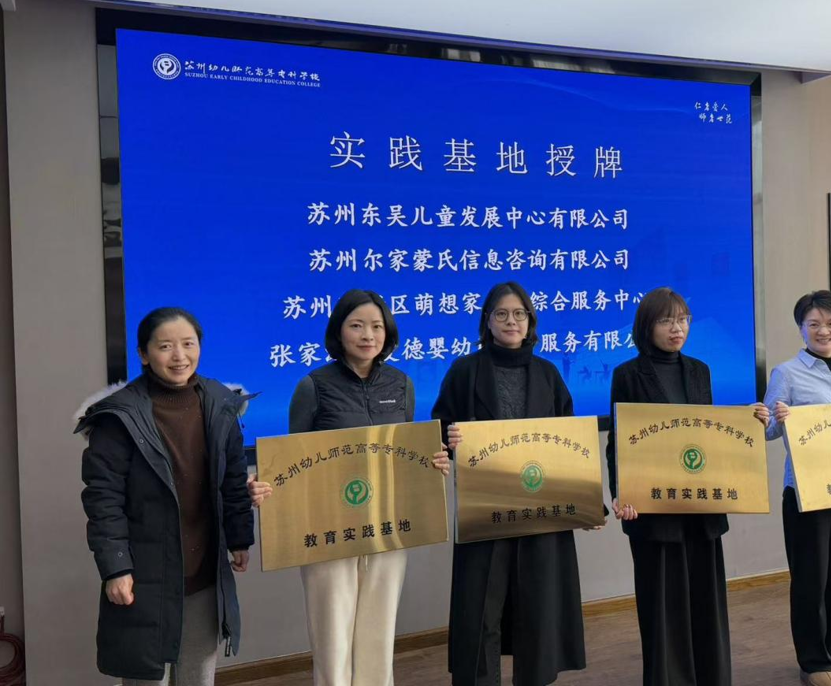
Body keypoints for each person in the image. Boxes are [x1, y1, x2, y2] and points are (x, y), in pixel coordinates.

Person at [251, 289, 449, 686]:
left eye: (376, 326)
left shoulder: (402, 384)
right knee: (332, 636)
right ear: (339, 332)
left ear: (387, 332)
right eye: (356, 325)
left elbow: (405, 453)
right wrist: (266, 486)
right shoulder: (313, 386)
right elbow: (293, 463)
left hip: (388, 524)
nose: (367, 335)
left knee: (379, 631)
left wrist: (433, 463)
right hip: (327, 529)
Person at [77, 307, 255, 685]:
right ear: (143, 354)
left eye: (188, 344)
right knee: (147, 677)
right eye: (165, 346)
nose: (179, 356)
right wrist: (116, 568)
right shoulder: (119, 415)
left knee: (198, 676)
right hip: (145, 577)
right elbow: (103, 499)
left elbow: (232, 476)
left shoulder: (220, 402)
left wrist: (240, 538)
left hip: (204, 573)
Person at [432, 281, 594, 686]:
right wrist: (449, 439)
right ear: (487, 321)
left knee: (537, 611)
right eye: (501, 314)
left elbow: (569, 445)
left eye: (519, 314)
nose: (511, 321)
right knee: (480, 612)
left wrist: (589, 502)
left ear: (530, 321)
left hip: (540, 511)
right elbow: (438, 431)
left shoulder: (548, 374)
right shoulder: (464, 371)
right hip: (484, 512)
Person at [606, 288, 768, 686]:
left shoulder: (700, 370)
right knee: (662, 607)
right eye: (666, 320)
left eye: (683, 320)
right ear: (647, 326)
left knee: (705, 602)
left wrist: (747, 420)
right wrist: (621, 493)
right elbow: (618, 442)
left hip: (700, 510)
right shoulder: (627, 374)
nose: (677, 328)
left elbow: (706, 434)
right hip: (653, 510)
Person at [764, 291, 831, 686]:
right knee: (812, 577)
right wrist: (775, 417)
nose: (824, 330)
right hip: (806, 491)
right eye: (814, 324)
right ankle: (813, 662)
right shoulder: (787, 373)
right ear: (801, 329)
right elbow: (769, 431)